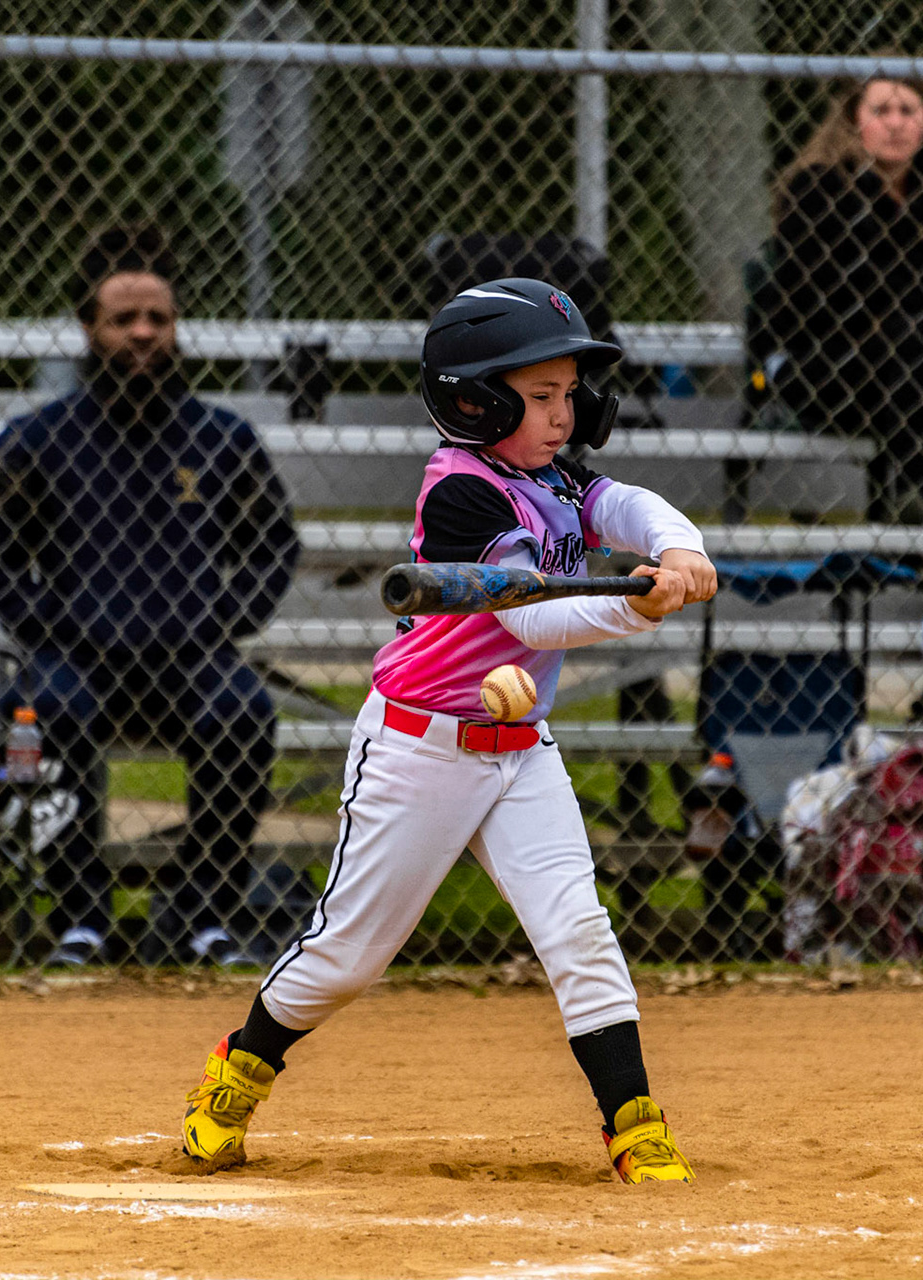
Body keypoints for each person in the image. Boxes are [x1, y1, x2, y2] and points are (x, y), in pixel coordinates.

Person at [178, 278, 717, 1183]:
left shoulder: (551, 474)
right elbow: (535, 622)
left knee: (580, 935)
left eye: (567, 396)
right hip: (417, 751)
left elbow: (625, 505)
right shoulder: (462, 494)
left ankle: (633, 1124)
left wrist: (679, 547)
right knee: (347, 958)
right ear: (476, 400)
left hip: (520, 752)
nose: (562, 415)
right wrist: (638, 608)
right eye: (540, 397)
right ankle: (237, 1071)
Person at [0, 225, 301, 968]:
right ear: (90, 329)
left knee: (243, 712)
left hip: (191, 656)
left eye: (158, 318)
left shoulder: (221, 439)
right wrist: (43, 627)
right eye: (124, 320)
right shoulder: (37, 440)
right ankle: (82, 919)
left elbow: (273, 544)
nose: (144, 333)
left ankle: (200, 916)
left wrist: (226, 619)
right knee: (39, 714)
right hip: (77, 658)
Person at [766, 68, 923, 524]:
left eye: (907, 110)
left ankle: (920, 515)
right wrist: (910, 272)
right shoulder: (817, 190)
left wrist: (887, 277)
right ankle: (906, 510)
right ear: (853, 120)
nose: (895, 122)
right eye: (880, 110)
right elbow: (813, 294)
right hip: (833, 364)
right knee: (920, 338)